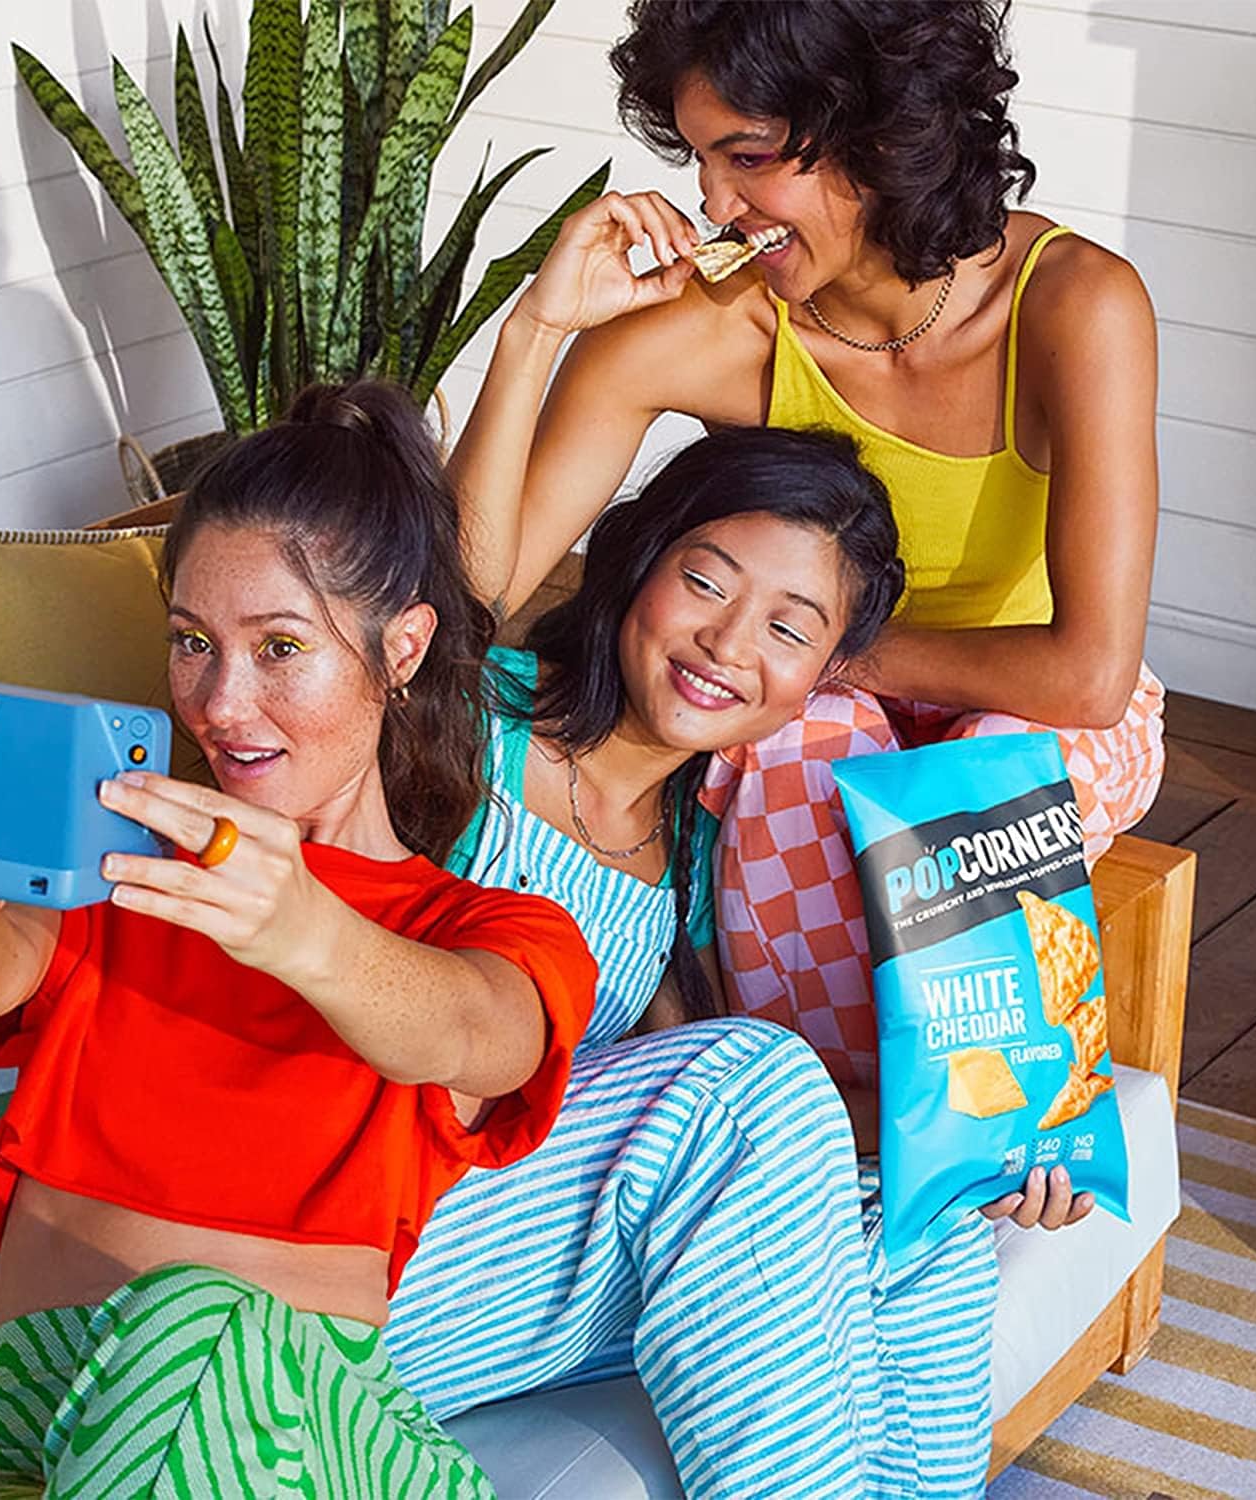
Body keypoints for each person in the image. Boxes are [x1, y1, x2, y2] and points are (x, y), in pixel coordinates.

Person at [0, 382, 598, 1498]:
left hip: (291, 1424)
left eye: (280, 646)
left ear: (401, 648)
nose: (220, 704)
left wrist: (304, 930)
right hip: (24, 1421)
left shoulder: (477, 929)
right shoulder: (119, 863)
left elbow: (480, 1034)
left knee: (189, 1322)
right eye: (192, 642)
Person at [454, 0, 1164, 1095]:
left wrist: (811, 651)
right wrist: (535, 329)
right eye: (700, 159)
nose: (712, 202)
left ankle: (1001, 1126)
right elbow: (462, 600)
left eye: (746, 159)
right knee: (799, 747)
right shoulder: (708, 328)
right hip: (816, 693)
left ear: (880, 136)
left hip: (1040, 704)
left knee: (982, 771)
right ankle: (824, 1130)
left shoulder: (1073, 304)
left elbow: (1088, 677)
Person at [381, 428, 1007, 1498]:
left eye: (787, 629)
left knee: (918, 1218)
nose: (726, 642)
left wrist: (988, 1141)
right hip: (380, 1231)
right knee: (750, 1072)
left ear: (818, 678)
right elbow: (721, 1097)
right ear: (638, 559)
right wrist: (531, 343)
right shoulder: (465, 723)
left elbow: (688, 1118)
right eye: (706, 582)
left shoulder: (698, 839)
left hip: (526, 1252)